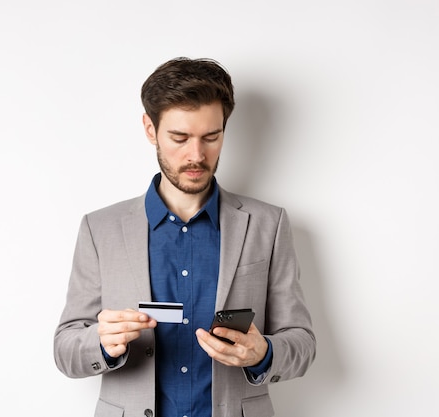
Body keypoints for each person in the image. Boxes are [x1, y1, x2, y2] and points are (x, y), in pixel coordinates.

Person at [54, 57, 316, 417]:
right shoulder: (100, 229)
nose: (197, 155)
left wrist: (263, 353)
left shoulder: (268, 224)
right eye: (180, 137)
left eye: (212, 137)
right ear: (150, 130)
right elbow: (65, 348)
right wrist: (100, 343)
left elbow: (301, 341)